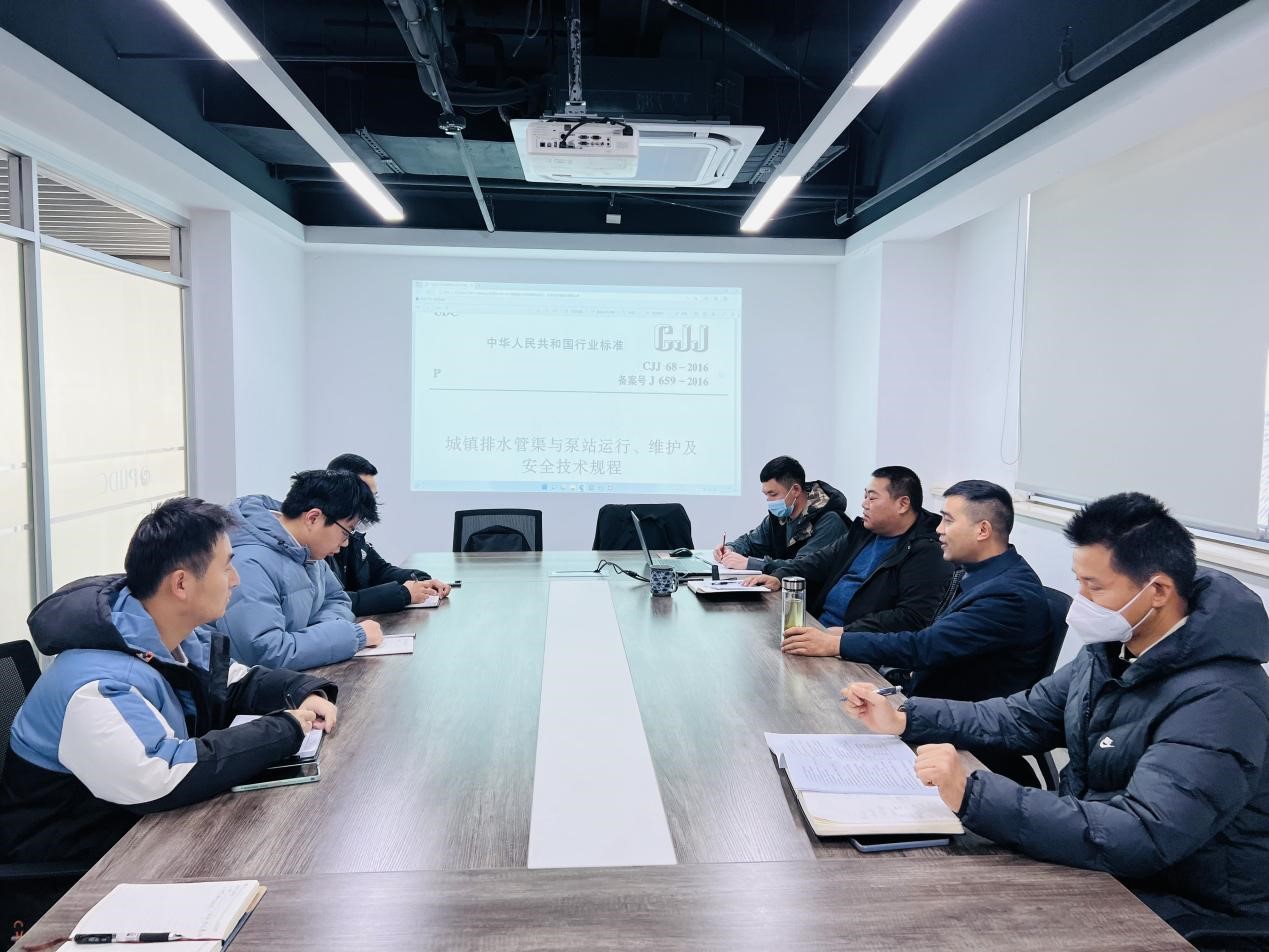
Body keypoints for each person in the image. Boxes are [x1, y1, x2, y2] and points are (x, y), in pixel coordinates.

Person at [841, 492, 1269, 929]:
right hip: (1098, 861)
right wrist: (906, 716)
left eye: (1094, 587)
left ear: (1157, 591)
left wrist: (973, 793)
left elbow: (1143, 833)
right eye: (1078, 581)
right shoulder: (1113, 650)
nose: (1080, 600)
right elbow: (1021, 716)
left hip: (1190, 911)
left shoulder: (1221, 699)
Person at [0, 498, 338, 933]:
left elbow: (234, 683)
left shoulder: (169, 638)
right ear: (181, 583)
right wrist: (285, 728)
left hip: (140, 837)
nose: (236, 579)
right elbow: (162, 774)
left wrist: (303, 691)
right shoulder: (97, 685)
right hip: (76, 880)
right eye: (226, 567)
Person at [744, 466, 952, 635]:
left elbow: (910, 618)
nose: (864, 504)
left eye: (872, 498)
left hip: (854, 646)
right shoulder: (862, 532)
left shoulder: (928, 551)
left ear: (903, 504)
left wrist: (845, 634)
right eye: (865, 496)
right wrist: (779, 576)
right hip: (819, 627)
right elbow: (818, 561)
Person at [212, 469, 384, 669]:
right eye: (346, 533)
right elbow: (265, 653)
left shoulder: (307, 551)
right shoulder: (249, 564)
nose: (345, 544)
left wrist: (321, 634)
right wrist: (351, 636)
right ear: (313, 518)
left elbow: (337, 599)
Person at [325, 453, 450, 615]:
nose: (372, 506)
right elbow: (336, 602)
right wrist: (403, 594)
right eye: (366, 498)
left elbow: (381, 571)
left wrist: (421, 580)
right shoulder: (321, 543)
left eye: (374, 497)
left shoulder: (354, 536)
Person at [713, 456, 848, 571]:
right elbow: (751, 542)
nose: (769, 500)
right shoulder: (780, 517)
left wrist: (751, 564)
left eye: (773, 494)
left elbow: (803, 567)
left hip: (813, 593)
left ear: (795, 490)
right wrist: (730, 549)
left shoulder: (830, 521)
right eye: (766, 494)